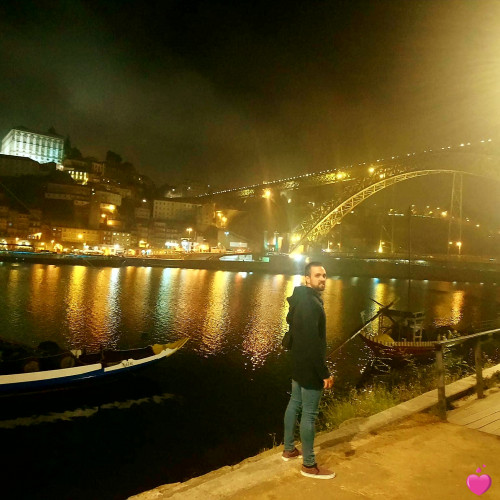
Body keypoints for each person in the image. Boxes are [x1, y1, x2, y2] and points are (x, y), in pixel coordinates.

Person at [282, 261, 336, 479]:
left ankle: (288, 449)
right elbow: (313, 343)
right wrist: (324, 372)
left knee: (294, 403)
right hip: (309, 366)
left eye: (324, 275)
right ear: (307, 278)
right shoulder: (311, 304)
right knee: (310, 415)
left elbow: (295, 329)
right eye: (317, 275)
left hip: (298, 361)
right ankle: (309, 465)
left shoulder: (300, 298)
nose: (322, 279)